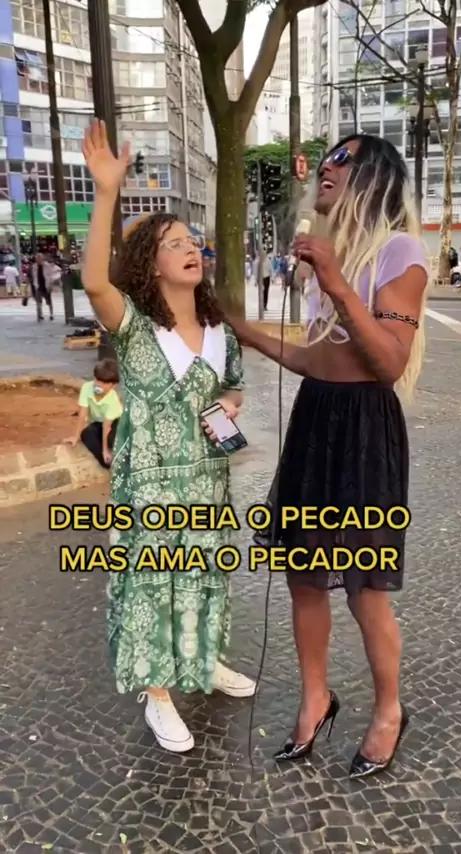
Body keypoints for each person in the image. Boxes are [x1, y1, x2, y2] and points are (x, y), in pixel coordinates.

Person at [228, 134, 429, 780]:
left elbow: (389, 361)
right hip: (316, 414)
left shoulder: (400, 253)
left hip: (366, 424)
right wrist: (248, 334)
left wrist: (338, 283)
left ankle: (389, 711)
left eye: (342, 160)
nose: (326, 168)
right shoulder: (329, 255)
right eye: (326, 159)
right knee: (304, 576)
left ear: (374, 178)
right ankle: (316, 698)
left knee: (365, 585)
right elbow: (320, 359)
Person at [81, 119, 255, 754]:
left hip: (208, 479)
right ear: (150, 264)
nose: (191, 249)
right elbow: (94, 282)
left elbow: (233, 387)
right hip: (150, 485)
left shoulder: (220, 330)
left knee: (206, 574)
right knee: (154, 584)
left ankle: (204, 661)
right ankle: (158, 694)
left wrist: (228, 405)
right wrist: (107, 192)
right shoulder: (133, 327)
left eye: (193, 242)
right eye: (174, 243)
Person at [65, 358, 123, 468]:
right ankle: (107, 462)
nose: (99, 385)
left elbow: (107, 426)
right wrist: (76, 437)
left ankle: (112, 455)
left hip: (114, 423)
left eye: (104, 383)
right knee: (86, 434)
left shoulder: (113, 399)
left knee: (111, 439)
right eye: (98, 380)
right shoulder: (87, 388)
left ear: (113, 385)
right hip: (98, 423)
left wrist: (105, 450)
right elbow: (82, 415)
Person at [30, 253, 61, 321]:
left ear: (42, 259)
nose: (38, 260)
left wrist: (50, 284)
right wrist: (35, 285)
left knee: (49, 302)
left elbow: (50, 275)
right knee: (38, 302)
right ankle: (39, 315)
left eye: (40, 258)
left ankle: (51, 314)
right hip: (38, 286)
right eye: (37, 259)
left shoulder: (47, 265)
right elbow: (34, 276)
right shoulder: (34, 266)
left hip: (46, 286)